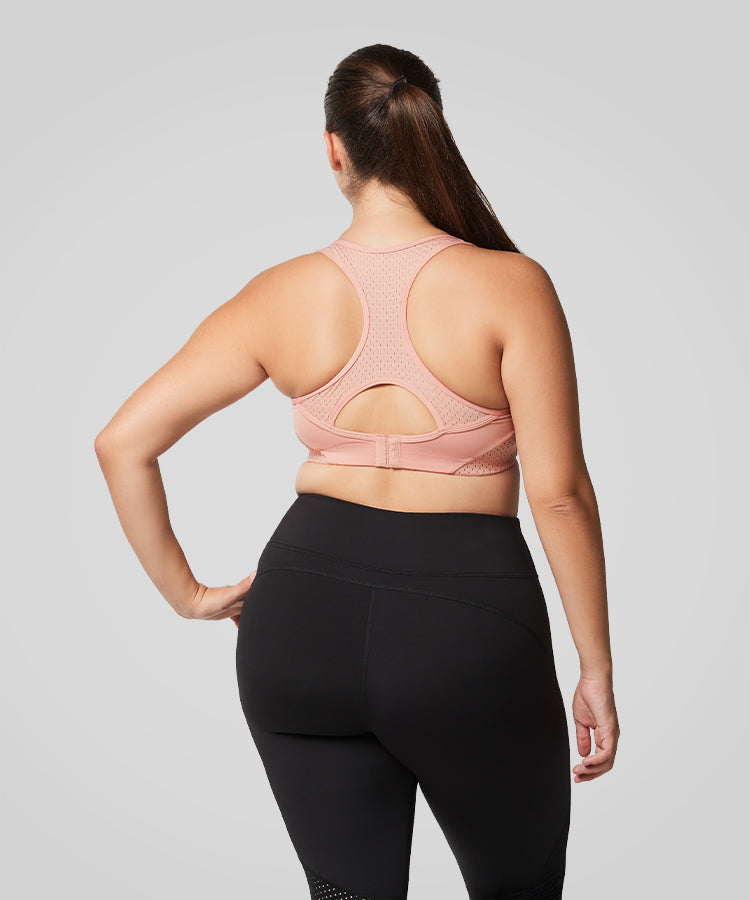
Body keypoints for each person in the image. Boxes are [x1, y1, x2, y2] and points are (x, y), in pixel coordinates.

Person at [95, 42, 619, 900]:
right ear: (429, 134)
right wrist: (595, 669)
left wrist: (190, 596)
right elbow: (560, 496)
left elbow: (122, 442)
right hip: (464, 628)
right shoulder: (512, 285)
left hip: (299, 626)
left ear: (334, 149)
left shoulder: (279, 293)